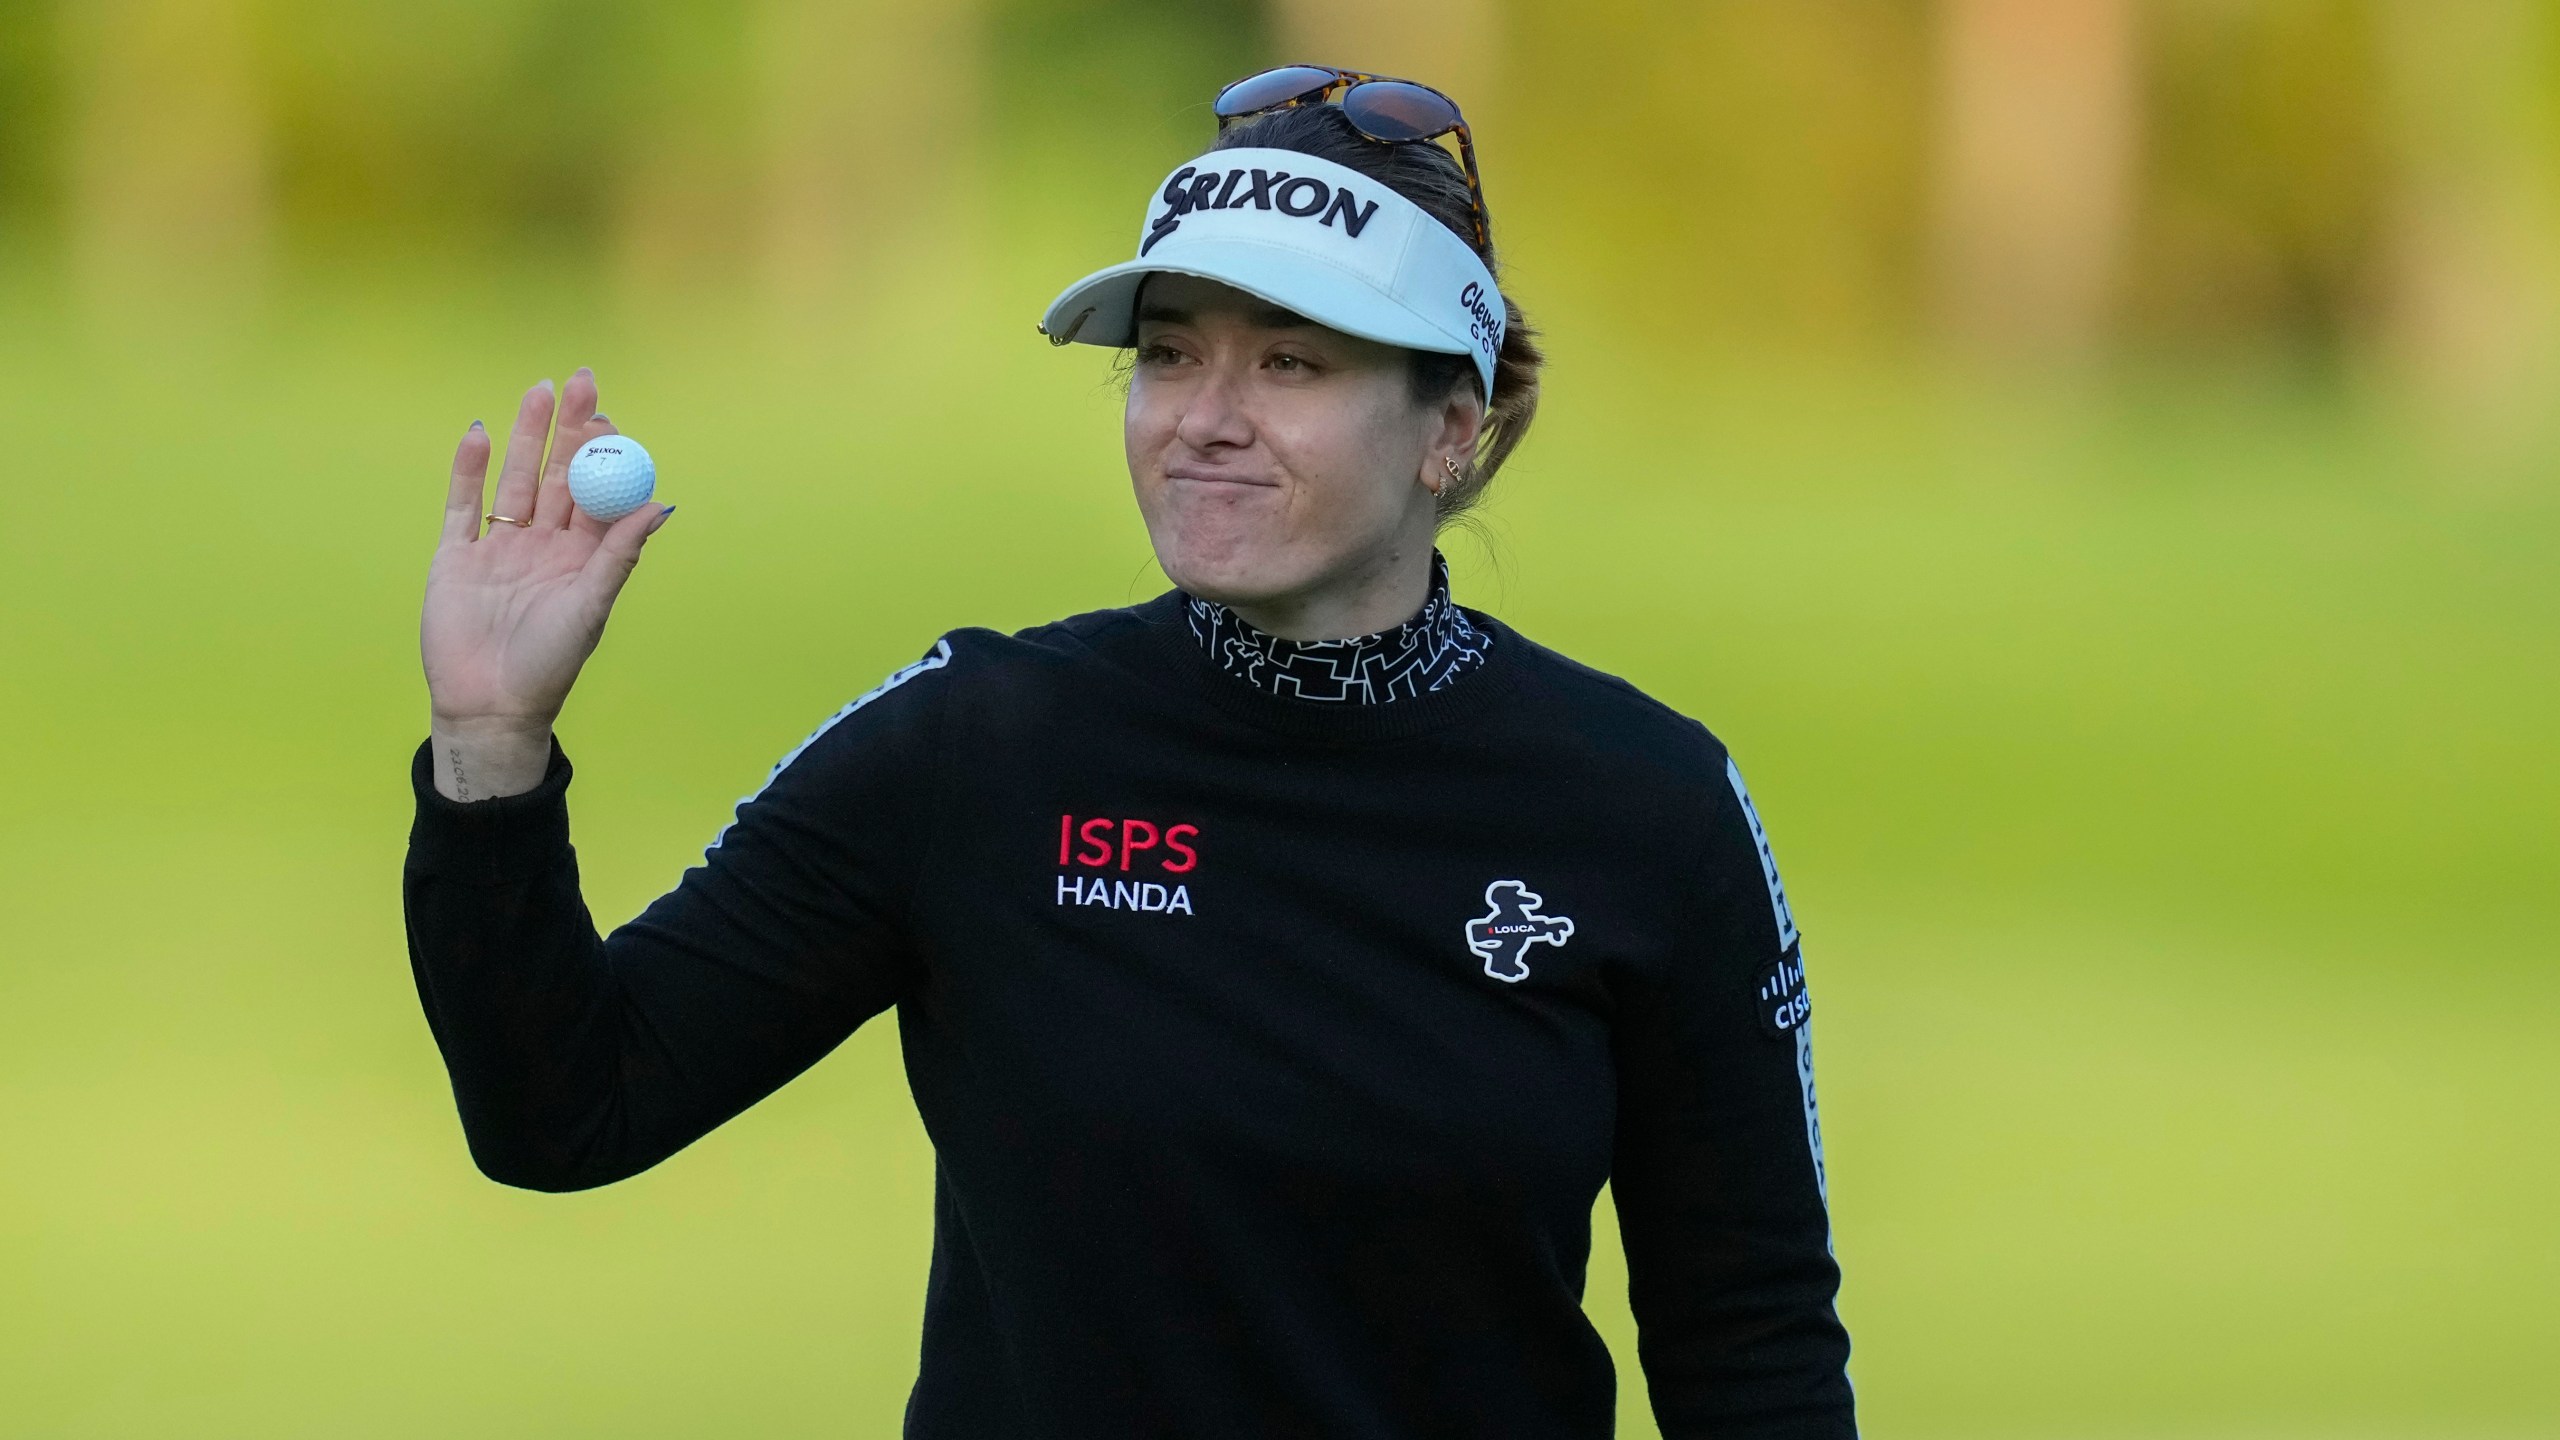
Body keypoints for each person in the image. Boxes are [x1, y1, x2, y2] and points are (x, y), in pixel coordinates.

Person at [407, 64, 1854, 1438]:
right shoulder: (976, 745)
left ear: (1450, 431)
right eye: (1170, 357)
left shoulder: (1643, 802)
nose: (1205, 422)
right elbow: (566, 1109)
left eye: (1291, 362)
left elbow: (1753, 1343)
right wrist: (489, 751)